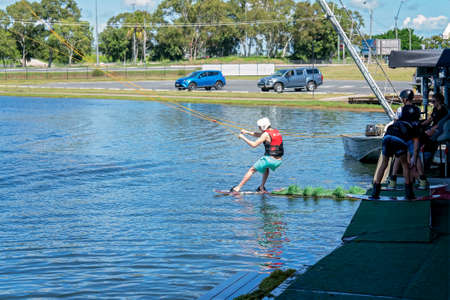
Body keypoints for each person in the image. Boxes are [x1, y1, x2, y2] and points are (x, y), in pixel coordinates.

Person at [371, 107, 420, 200]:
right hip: (399, 139)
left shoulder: (397, 121)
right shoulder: (415, 125)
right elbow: (416, 145)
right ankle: (409, 193)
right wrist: (414, 156)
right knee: (405, 165)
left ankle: (375, 192)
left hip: (387, 137)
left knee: (384, 164)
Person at [387, 89, 427, 189]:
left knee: (397, 157)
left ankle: (392, 181)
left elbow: (396, 122)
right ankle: (422, 181)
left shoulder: (401, 109)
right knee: (416, 157)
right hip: (414, 137)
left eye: (402, 98)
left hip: (403, 137)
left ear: (405, 99)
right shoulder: (417, 109)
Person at [231, 117, 284, 192]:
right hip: (278, 161)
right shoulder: (275, 131)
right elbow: (260, 135)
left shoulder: (265, 134)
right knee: (266, 168)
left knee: (252, 170)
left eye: (259, 127)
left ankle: (237, 188)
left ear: (263, 126)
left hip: (269, 160)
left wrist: (243, 137)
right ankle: (261, 187)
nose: (258, 128)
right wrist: (247, 132)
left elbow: (254, 145)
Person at [420, 93, 449, 170]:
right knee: (421, 133)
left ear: (439, 101)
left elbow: (441, 123)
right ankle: (424, 156)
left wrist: (431, 130)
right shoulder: (435, 109)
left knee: (427, 138)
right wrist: (419, 124)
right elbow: (430, 119)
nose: (432, 103)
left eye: (433, 101)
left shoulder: (444, 110)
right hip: (434, 127)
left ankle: (427, 160)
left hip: (441, 129)